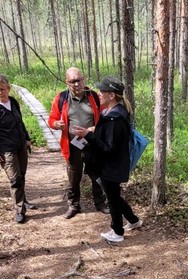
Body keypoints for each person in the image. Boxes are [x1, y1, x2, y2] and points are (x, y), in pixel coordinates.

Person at [71, 76, 141, 244]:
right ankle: (134, 220)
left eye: (103, 91)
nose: (99, 94)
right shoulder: (108, 113)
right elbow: (108, 136)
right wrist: (93, 130)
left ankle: (117, 232)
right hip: (110, 164)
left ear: (112, 95)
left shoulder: (116, 118)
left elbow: (109, 147)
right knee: (114, 195)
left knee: (112, 198)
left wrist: (88, 135)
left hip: (112, 165)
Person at [48, 67, 108, 219]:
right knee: (74, 176)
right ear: (67, 82)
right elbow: (52, 119)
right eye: (73, 81)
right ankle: (74, 205)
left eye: (79, 80)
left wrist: (97, 127)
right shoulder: (61, 98)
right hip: (72, 145)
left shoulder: (93, 96)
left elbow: (105, 115)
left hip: (92, 143)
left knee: (96, 174)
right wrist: (57, 125)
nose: (77, 84)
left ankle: (100, 203)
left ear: (84, 79)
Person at [0, 74, 33, 224]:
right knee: (15, 179)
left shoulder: (13, 102)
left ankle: (23, 201)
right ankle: (19, 210)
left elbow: (20, 122)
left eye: (2, 89)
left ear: (8, 89)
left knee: (22, 175)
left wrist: (27, 138)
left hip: (20, 146)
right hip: (6, 150)